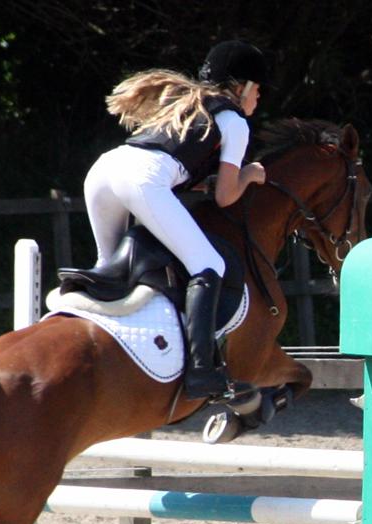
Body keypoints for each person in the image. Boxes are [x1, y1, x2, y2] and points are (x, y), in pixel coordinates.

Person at [83, 40, 269, 400]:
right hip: (142, 179)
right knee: (209, 264)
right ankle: (201, 371)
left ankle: (112, 358)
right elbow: (226, 197)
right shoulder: (234, 121)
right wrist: (250, 175)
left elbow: (179, 164)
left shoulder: (187, 106)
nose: (258, 98)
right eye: (258, 89)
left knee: (109, 270)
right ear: (241, 87)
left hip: (104, 170)